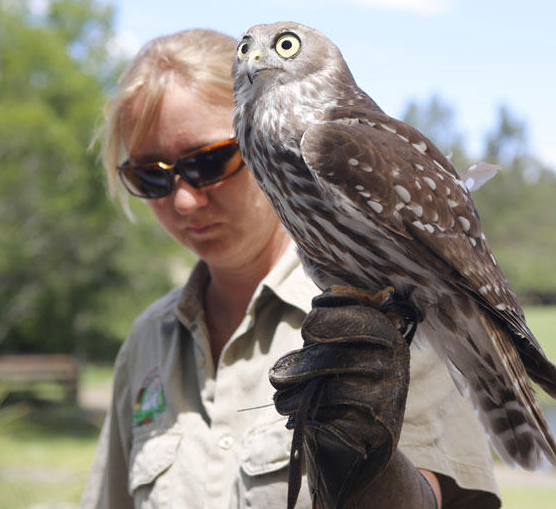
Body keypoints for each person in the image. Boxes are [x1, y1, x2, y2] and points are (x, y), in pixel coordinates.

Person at [80, 28, 501, 508]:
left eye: (208, 162)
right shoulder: (147, 341)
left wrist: (372, 478)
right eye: (151, 175)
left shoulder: (386, 302)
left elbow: (438, 499)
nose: (183, 198)